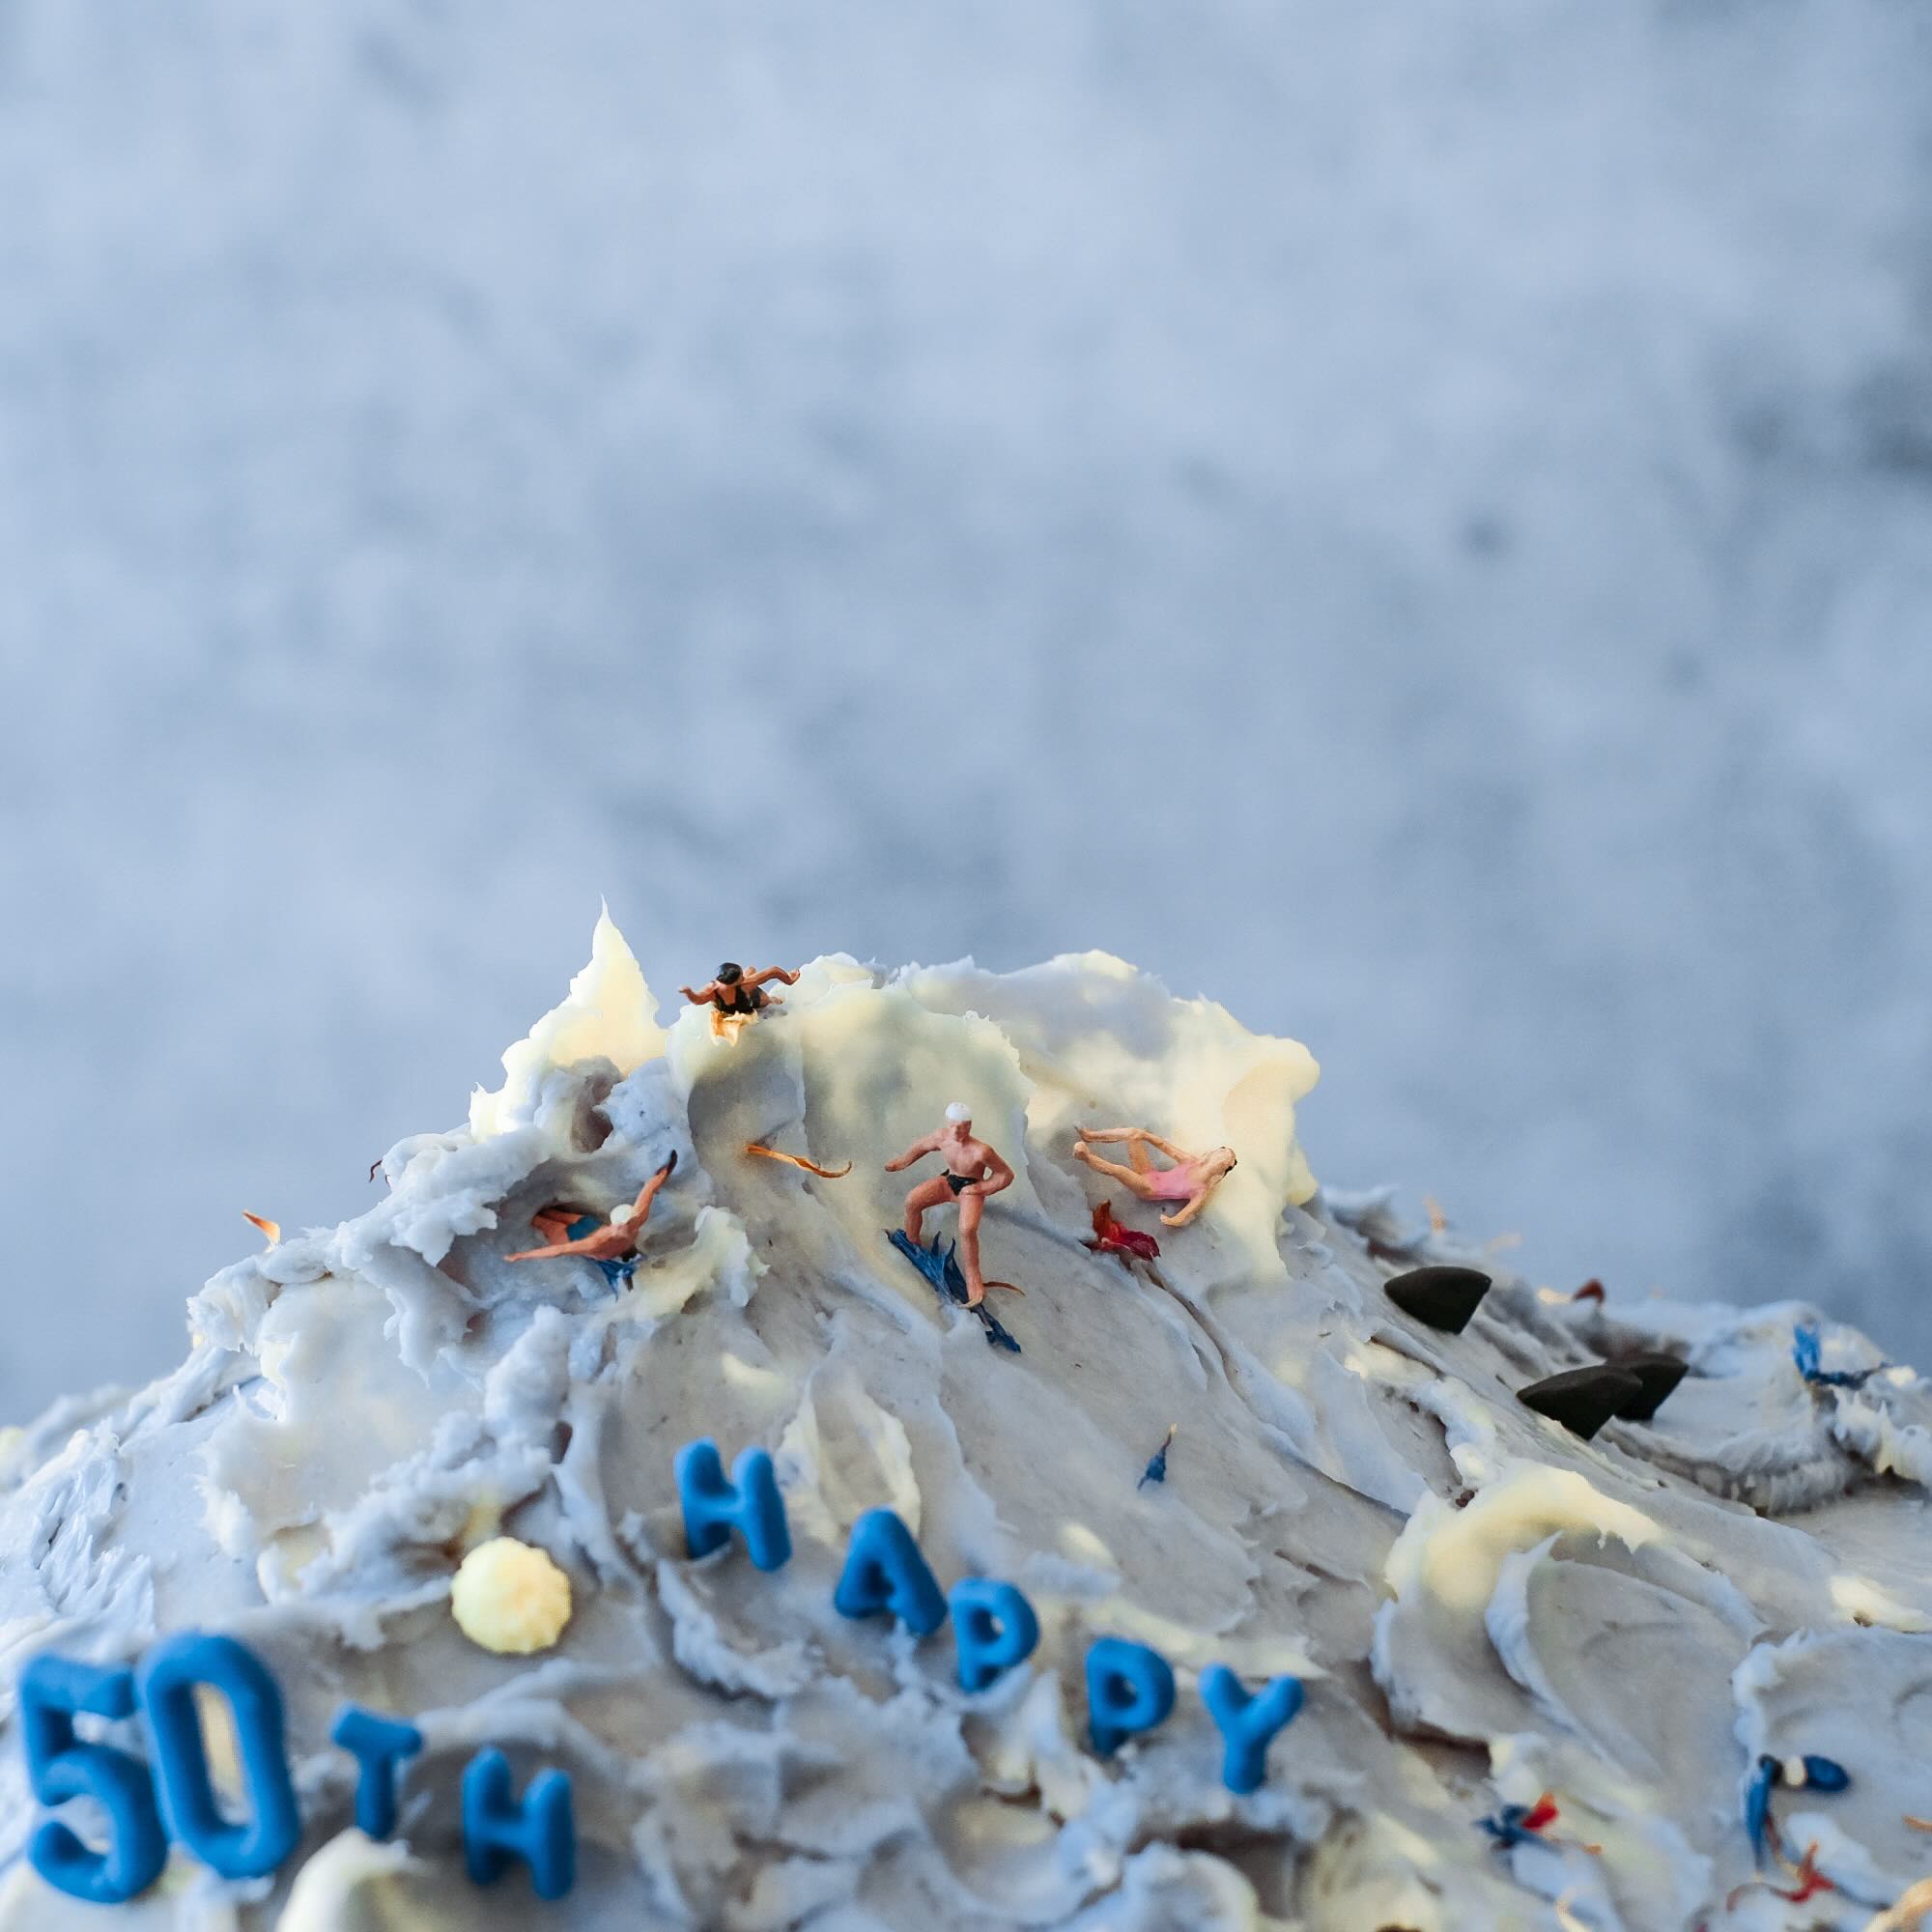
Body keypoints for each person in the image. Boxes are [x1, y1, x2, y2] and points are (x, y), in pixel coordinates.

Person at [883, 1103, 1014, 1307]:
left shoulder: (982, 1151)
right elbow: (920, 1147)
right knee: (913, 1201)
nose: (956, 1131)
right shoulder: (941, 1137)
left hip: (970, 1189)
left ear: (969, 1126)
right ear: (948, 1123)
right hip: (948, 1181)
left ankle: (973, 1280)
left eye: (962, 1127)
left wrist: (982, 1188)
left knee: (967, 1229)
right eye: (953, 1126)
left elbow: (1005, 1175)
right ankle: (912, 1242)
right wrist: (901, 1162)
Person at [507, 1153, 679, 1289]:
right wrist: (667, 1169)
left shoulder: (595, 1244)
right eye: (619, 1224)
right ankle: (540, 1208)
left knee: (546, 1223)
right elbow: (648, 1190)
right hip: (590, 1225)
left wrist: (522, 1255)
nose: (619, 1226)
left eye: (621, 1226)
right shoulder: (637, 1219)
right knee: (556, 1215)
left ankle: (518, 1213)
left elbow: (559, 1250)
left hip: (573, 1237)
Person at [1071, 1127, 1236, 1228]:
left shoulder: (1200, 1190)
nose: (1221, 1157)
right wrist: (1146, 1136)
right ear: (1212, 1153)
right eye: (1222, 1152)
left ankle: (1084, 1156)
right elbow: (1165, 1146)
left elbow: (1185, 1214)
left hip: (1148, 1189)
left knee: (1120, 1170)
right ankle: (1091, 1136)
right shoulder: (1190, 1161)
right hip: (1150, 1174)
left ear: (1223, 1170)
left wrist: (1171, 1220)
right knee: (1133, 1134)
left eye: (1225, 1160)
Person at [678, 961, 801, 1041]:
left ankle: (752, 973)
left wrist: (790, 980)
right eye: (740, 978)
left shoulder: (746, 984)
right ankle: (750, 970)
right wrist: (689, 993)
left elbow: (773, 971)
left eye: (742, 977)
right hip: (731, 1010)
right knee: (749, 976)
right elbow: (699, 1000)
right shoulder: (713, 990)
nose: (743, 979)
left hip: (752, 1003)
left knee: (771, 1001)